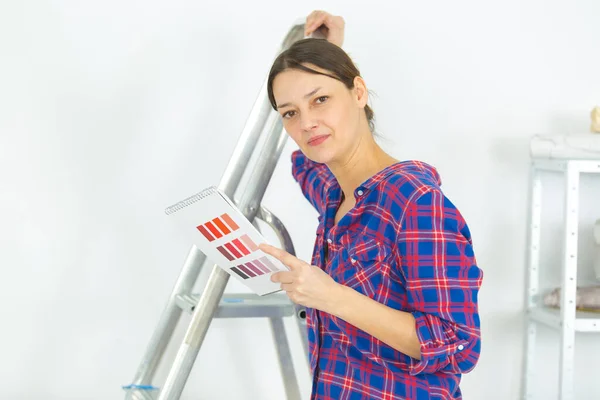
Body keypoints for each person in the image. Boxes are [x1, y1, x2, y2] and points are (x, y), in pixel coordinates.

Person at [258, 10, 483, 400]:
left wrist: (330, 296)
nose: (307, 123)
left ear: (358, 93)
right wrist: (326, 53)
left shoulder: (415, 202)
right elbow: (304, 164)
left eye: (321, 99)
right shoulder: (335, 195)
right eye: (290, 113)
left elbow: (455, 343)